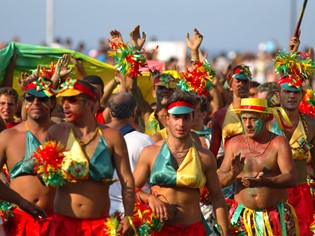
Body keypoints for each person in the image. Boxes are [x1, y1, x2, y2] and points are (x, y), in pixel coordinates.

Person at [46, 79, 135, 235]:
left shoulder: (112, 137)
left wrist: (128, 216)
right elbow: (43, 179)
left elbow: (127, 179)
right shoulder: (56, 133)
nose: (65, 105)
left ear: (89, 104)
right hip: (63, 225)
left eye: (72, 100)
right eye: (63, 100)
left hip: (99, 226)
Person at [134, 90, 229, 236]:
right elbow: (130, 189)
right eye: (176, 117)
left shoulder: (205, 157)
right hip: (159, 230)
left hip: (193, 230)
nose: (181, 123)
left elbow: (217, 198)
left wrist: (224, 233)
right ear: (167, 119)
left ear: (193, 119)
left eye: (186, 118)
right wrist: (149, 198)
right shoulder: (150, 153)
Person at [218, 97, 298, 235]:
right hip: (243, 219)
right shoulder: (234, 144)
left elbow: (291, 178)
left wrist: (265, 182)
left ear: (265, 119)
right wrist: (232, 174)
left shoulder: (278, 143)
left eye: (253, 119)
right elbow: (218, 180)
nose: (248, 124)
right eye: (244, 119)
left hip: (275, 218)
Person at [0, 77, 56, 235]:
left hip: (57, 222)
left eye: (42, 98)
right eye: (30, 98)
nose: (36, 103)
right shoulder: (7, 136)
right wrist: (20, 201)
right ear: (24, 102)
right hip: (19, 222)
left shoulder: (65, 134)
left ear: (52, 103)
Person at [275, 41, 315, 235]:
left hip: (301, 195)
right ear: (278, 94)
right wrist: (290, 56)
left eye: (295, 92)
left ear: (302, 96)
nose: (291, 96)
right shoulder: (268, 118)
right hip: (273, 195)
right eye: (287, 92)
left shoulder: (311, 122)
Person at [107, 92, 153, 214]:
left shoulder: (97, 136)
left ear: (110, 112)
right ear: (134, 112)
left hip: (104, 214)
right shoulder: (145, 141)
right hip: (136, 214)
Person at [210, 64, 251, 165]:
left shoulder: (260, 112)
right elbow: (213, 152)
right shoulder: (220, 115)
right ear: (230, 86)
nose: (241, 84)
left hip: (255, 170)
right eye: (238, 81)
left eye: (245, 81)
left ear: (250, 84)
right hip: (229, 170)